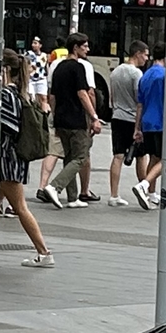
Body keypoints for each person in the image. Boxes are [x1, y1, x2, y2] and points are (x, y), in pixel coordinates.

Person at [0, 52, 54, 267]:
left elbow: (9, 126)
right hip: (14, 159)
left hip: (7, 159)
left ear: (7, 70)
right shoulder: (21, 94)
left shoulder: (6, 95)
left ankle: (44, 251)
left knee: (19, 207)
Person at [38, 36, 101, 208]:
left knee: (69, 157)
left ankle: (73, 198)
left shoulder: (57, 67)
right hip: (76, 119)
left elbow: (53, 96)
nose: (87, 50)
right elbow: (83, 94)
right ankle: (55, 186)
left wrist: (55, 117)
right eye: (85, 47)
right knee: (80, 157)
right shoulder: (78, 67)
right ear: (75, 48)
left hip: (61, 119)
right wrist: (94, 117)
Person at [105, 43, 145, 206]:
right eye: (145, 54)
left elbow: (112, 97)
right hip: (131, 118)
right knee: (141, 156)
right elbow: (139, 100)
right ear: (137, 54)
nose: (146, 58)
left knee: (118, 155)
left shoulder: (115, 72)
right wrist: (139, 125)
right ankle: (144, 188)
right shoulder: (136, 74)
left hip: (117, 116)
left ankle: (114, 195)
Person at [134, 46, 166, 208]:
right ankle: (145, 184)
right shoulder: (165, 76)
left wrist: (137, 127)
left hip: (147, 121)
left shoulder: (145, 75)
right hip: (161, 121)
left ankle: (151, 194)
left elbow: (139, 104)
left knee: (154, 157)